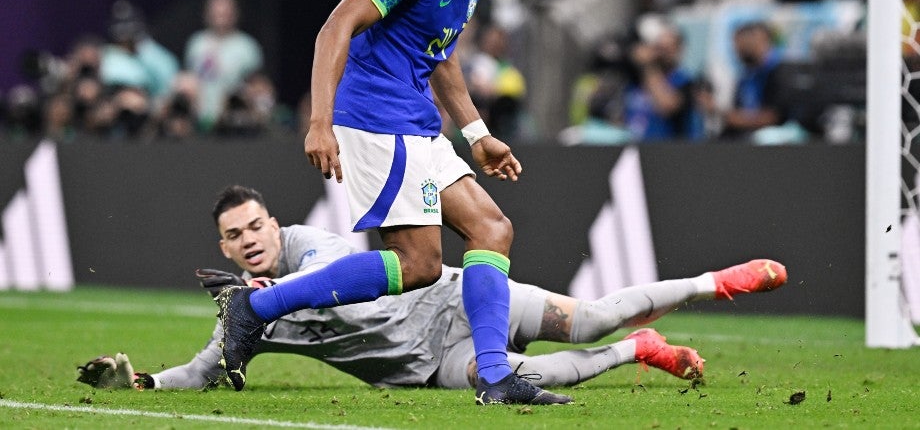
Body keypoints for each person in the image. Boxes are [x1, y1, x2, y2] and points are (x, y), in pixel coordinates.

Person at [215, 0, 569, 406]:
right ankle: (256, 308)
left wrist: (477, 134)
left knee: (492, 230)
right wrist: (319, 121)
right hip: (376, 117)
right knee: (419, 264)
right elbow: (335, 27)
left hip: (416, 120)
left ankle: (495, 378)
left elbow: (440, 55)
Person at [76, 185, 788, 392]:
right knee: (501, 380)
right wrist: (141, 383)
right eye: (235, 236)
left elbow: (330, 268)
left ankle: (709, 281)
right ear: (222, 247)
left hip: (454, 298)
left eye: (257, 225)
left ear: (273, 222)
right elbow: (208, 368)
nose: (251, 239)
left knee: (588, 315)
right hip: (421, 365)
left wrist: (268, 293)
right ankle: (640, 351)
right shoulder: (245, 316)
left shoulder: (308, 249)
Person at [184, 0, 264, 131]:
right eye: (216, 13)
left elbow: (258, 86)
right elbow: (190, 78)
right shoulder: (196, 43)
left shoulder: (247, 46)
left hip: (233, 122)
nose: (220, 17)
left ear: (234, 14)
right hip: (200, 118)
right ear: (207, 14)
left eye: (225, 13)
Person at [623, 24, 701, 141]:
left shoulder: (685, 81)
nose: (662, 54)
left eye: (668, 49)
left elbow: (666, 106)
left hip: (667, 151)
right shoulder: (637, 80)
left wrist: (649, 66)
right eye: (659, 48)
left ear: (679, 50)